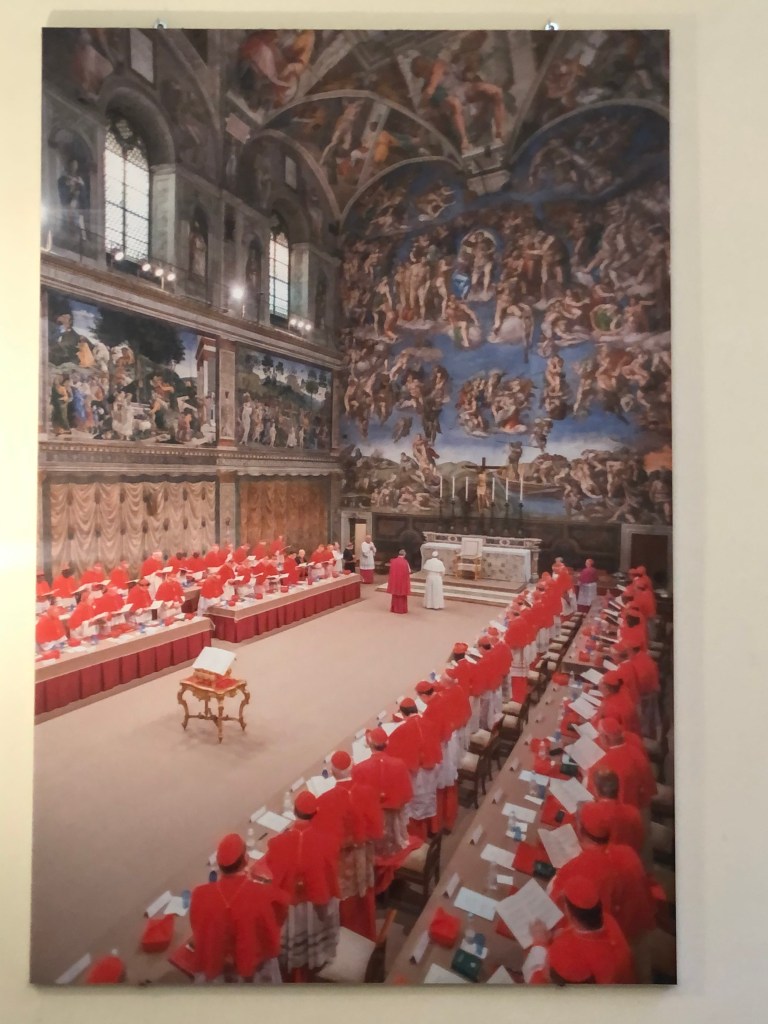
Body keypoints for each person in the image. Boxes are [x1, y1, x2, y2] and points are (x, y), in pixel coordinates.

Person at [189, 832, 288, 984]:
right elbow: (277, 917)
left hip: (218, 966)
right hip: (252, 967)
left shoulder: (200, 895)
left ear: (218, 865)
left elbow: (198, 928)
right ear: (246, 859)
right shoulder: (262, 894)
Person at [264, 792, 341, 978]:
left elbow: (272, 869)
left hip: (291, 905)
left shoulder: (277, 843)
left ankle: (293, 962)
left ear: (294, 811)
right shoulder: (328, 841)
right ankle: (316, 957)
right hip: (317, 903)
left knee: (293, 932)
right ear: (315, 813)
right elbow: (331, 871)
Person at [314, 750, 383, 940]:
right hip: (364, 853)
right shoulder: (368, 792)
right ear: (353, 767)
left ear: (332, 772)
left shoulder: (325, 800)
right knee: (363, 890)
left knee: (345, 897)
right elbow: (377, 826)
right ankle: (366, 927)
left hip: (342, 859)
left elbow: (323, 837)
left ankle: (345, 933)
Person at [530, 875, 635, 984]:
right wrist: (564, 933)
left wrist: (539, 943)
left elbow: (540, 982)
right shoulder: (609, 920)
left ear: (571, 915)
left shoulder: (566, 952)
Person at [386, 549, 411, 614]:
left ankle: (394, 609)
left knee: (395, 594)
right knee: (401, 595)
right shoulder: (405, 562)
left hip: (395, 581)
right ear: (404, 554)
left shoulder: (393, 561)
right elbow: (409, 571)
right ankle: (401, 609)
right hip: (402, 581)